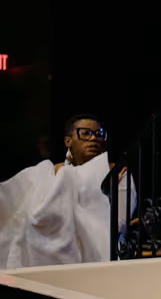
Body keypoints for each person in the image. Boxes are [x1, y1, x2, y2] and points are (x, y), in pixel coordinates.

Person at [0, 115, 134, 269]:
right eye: (85, 133)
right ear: (68, 141)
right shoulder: (52, 172)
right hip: (48, 245)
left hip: (96, 250)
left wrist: (101, 191)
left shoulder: (116, 172)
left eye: (99, 134)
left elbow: (119, 224)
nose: (93, 139)